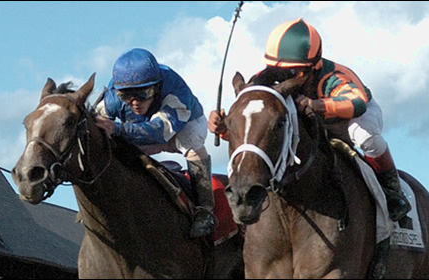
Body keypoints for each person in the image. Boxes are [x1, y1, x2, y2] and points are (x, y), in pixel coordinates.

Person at [208, 18, 411, 222]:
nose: (286, 75)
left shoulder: (335, 77)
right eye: (279, 69)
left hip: (349, 117)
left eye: (295, 71)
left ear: (314, 65)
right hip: (311, 120)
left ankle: (391, 189)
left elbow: (357, 104)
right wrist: (223, 127)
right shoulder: (265, 77)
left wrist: (317, 105)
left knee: (364, 135)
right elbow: (258, 125)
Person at [94, 48, 217, 238]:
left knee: (190, 141)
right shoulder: (112, 98)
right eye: (126, 96)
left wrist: (118, 128)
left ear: (157, 87)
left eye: (144, 93)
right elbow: (95, 124)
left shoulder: (176, 91)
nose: (135, 102)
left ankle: (205, 210)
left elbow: (159, 133)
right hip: (141, 129)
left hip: (182, 127)